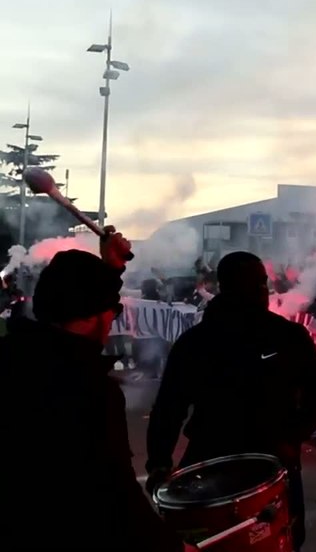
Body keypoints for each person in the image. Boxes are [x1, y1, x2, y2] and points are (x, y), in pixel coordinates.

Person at [0, 229, 195, 552]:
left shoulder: (12, 356)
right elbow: (117, 496)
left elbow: (81, 291)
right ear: (94, 315)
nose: (113, 321)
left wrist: (109, 268)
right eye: (113, 311)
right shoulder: (89, 389)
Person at [145, 251, 316, 551]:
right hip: (215, 458)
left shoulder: (286, 335)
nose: (262, 290)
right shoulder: (198, 342)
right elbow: (168, 408)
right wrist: (159, 464)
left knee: (280, 537)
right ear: (228, 286)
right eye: (254, 283)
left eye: (262, 283)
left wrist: (295, 434)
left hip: (271, 458)